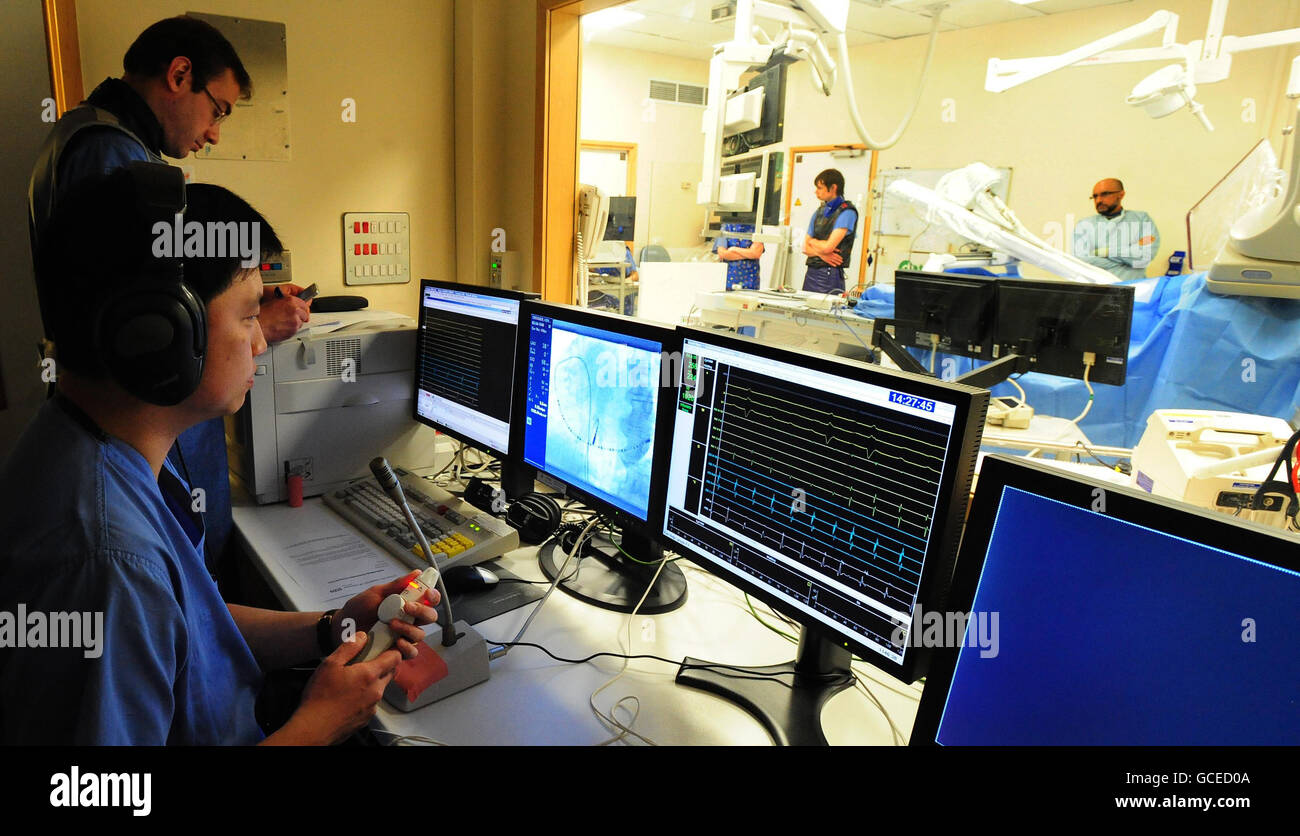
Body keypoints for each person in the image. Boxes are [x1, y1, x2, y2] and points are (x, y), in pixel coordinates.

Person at [0, 168, 436, 745]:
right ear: (161, 333)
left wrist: (332, 626)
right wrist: (317, 726)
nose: (261, 343)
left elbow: (186, 630)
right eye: (250, 314)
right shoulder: (108, 560)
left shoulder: (88, 445)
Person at [27, 16, 311, 578]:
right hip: (149, 445)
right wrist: (259, 322)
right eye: (219, 110)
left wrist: (239, 292)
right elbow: (150, 324)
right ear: (180, 75)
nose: (213, 134)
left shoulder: (80, 134)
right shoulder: (112, 157)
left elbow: (166, 282)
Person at [1071, 178, 1160, 281]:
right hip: (1094, 290)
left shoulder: (1142, 220)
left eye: (1105, 194)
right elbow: (1080, 261)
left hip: (1132, 288)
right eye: (1095, 196)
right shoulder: (1084, 225)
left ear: (1121, 195)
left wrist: (1102, 252)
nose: (1099, 200)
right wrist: (1127, 260)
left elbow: (1144, 257)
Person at [801, 168, 859, 294]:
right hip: (811, 272)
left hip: (829, 275)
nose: (816, 192)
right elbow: (805, 248)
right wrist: (822, 254)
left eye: (820, 188)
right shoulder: (819, 211)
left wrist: (813, 242)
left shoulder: (847, 212)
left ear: (833, 188)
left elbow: (828, 247)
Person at [714, 222, 764, 290]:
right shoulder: (726, 226)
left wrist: (733, 249)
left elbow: (756, 253)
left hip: (751, 282)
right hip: (728, 282)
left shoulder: (756, 227)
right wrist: (748, 252)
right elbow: (722, 254)